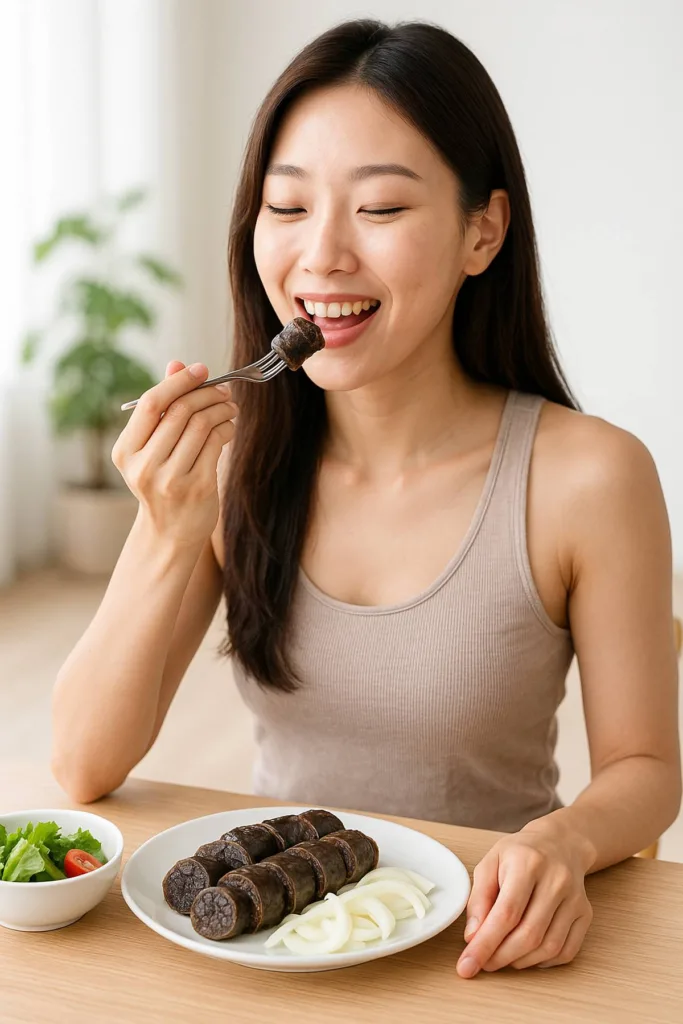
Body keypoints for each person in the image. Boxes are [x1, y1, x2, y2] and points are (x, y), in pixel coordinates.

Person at [52, 20, 680, 977]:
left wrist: (564, 839)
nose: (322, 255)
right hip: (273, 942)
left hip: (481, 942)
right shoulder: (235, 465)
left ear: (483, 231)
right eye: (287, 206)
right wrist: (167, 530)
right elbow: (83, 766)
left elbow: (645, 770)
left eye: (380, 208)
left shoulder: (589, 476)